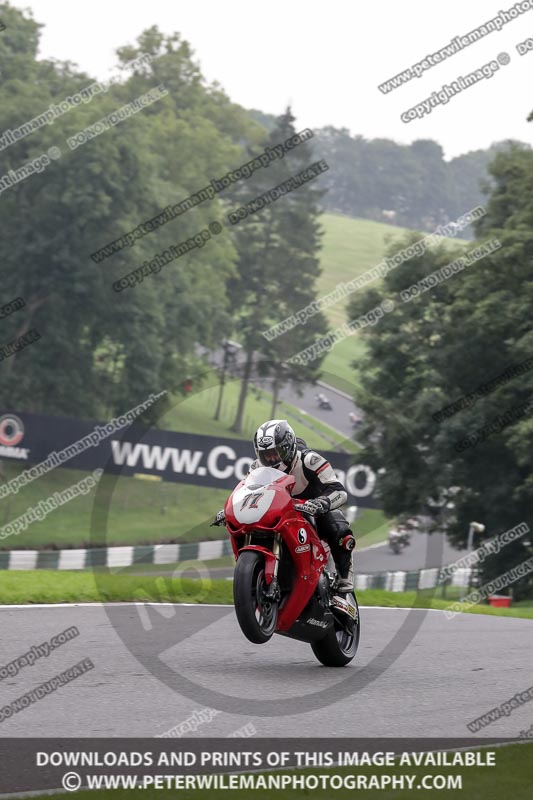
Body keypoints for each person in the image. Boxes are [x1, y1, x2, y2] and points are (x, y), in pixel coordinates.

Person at [212, 419, 356, 593]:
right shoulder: (257, 467)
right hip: (279, 513)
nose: (271, 458)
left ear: (289, 447)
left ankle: (344, 576)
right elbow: (247, 492)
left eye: (276, 452)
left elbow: (339, 490)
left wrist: (321, 503)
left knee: (337, 523)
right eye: (266, 454)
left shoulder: (310, 460)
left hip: (313, 510)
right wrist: (230, 510)